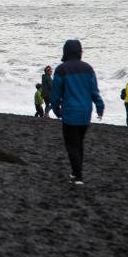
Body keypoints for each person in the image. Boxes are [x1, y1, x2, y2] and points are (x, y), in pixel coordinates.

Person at [49, 40, 104, 186]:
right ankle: (75, 172)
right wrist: (100, 107)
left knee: (72, 145)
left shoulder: (61, 69)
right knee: (79, 143)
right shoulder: (88, 68)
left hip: (70, 112)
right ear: (80, 51)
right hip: (86, 113)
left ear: (65, 51)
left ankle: (78, 176)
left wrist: (56, 110)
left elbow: (55, 93)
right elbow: (94, 91)